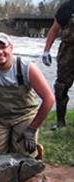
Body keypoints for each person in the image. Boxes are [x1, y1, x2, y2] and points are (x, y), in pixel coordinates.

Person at [0, 32, 55, 156]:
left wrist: (32, 129)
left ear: (11, 48)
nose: (0, 52)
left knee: (24, 155)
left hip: (25, 116)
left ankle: (35, 152)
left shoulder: (27, 67)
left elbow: (49, 99)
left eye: (3, 47)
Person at [42, 0, 74, 130]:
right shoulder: (68, 6)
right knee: (61, 86)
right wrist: (46, 51)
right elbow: (54, 29)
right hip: (67, 51)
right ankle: (60, 122)